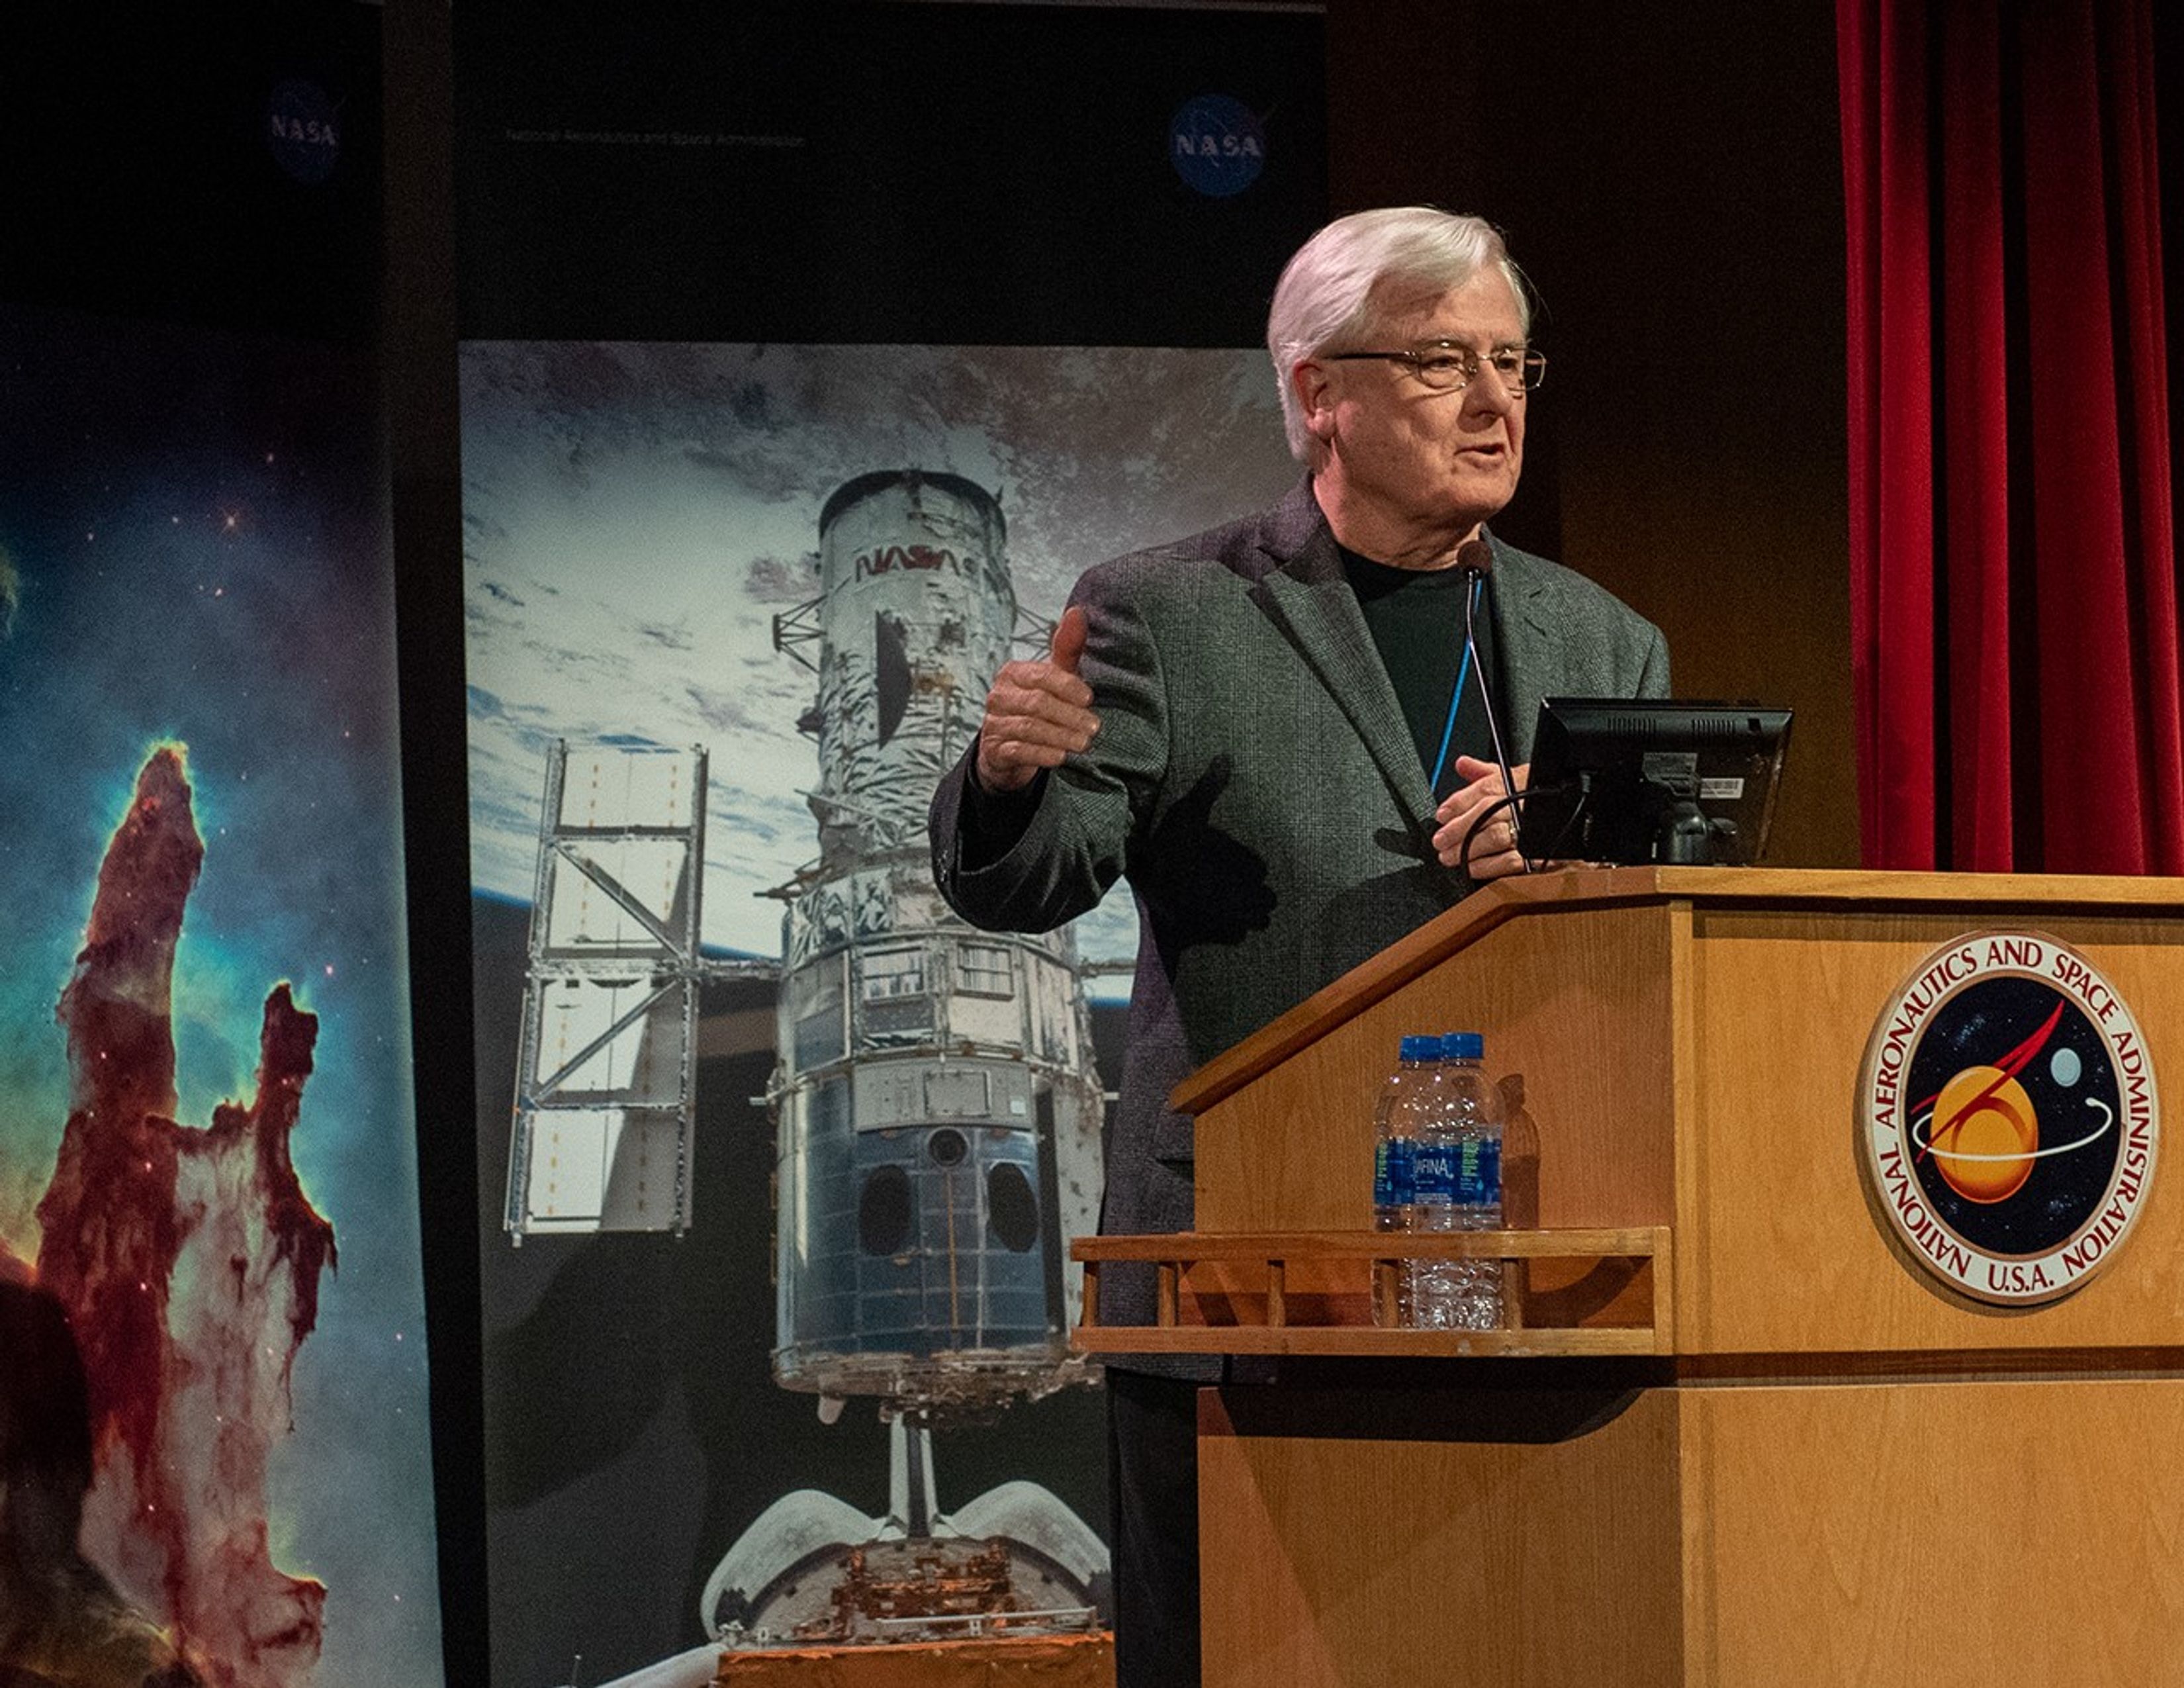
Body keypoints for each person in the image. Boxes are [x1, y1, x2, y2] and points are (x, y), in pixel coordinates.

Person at [927, 207, 1668, 1687]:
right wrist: (1007, 780)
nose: (1494, 400)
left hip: (1531, 1281)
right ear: (1319, 391)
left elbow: (1658, 949)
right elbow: (1039, 878)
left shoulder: (1605, 643)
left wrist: (1580, 862)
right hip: (1249, 1280)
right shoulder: (1168, 612)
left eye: (1513, 361)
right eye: (1444, 361)